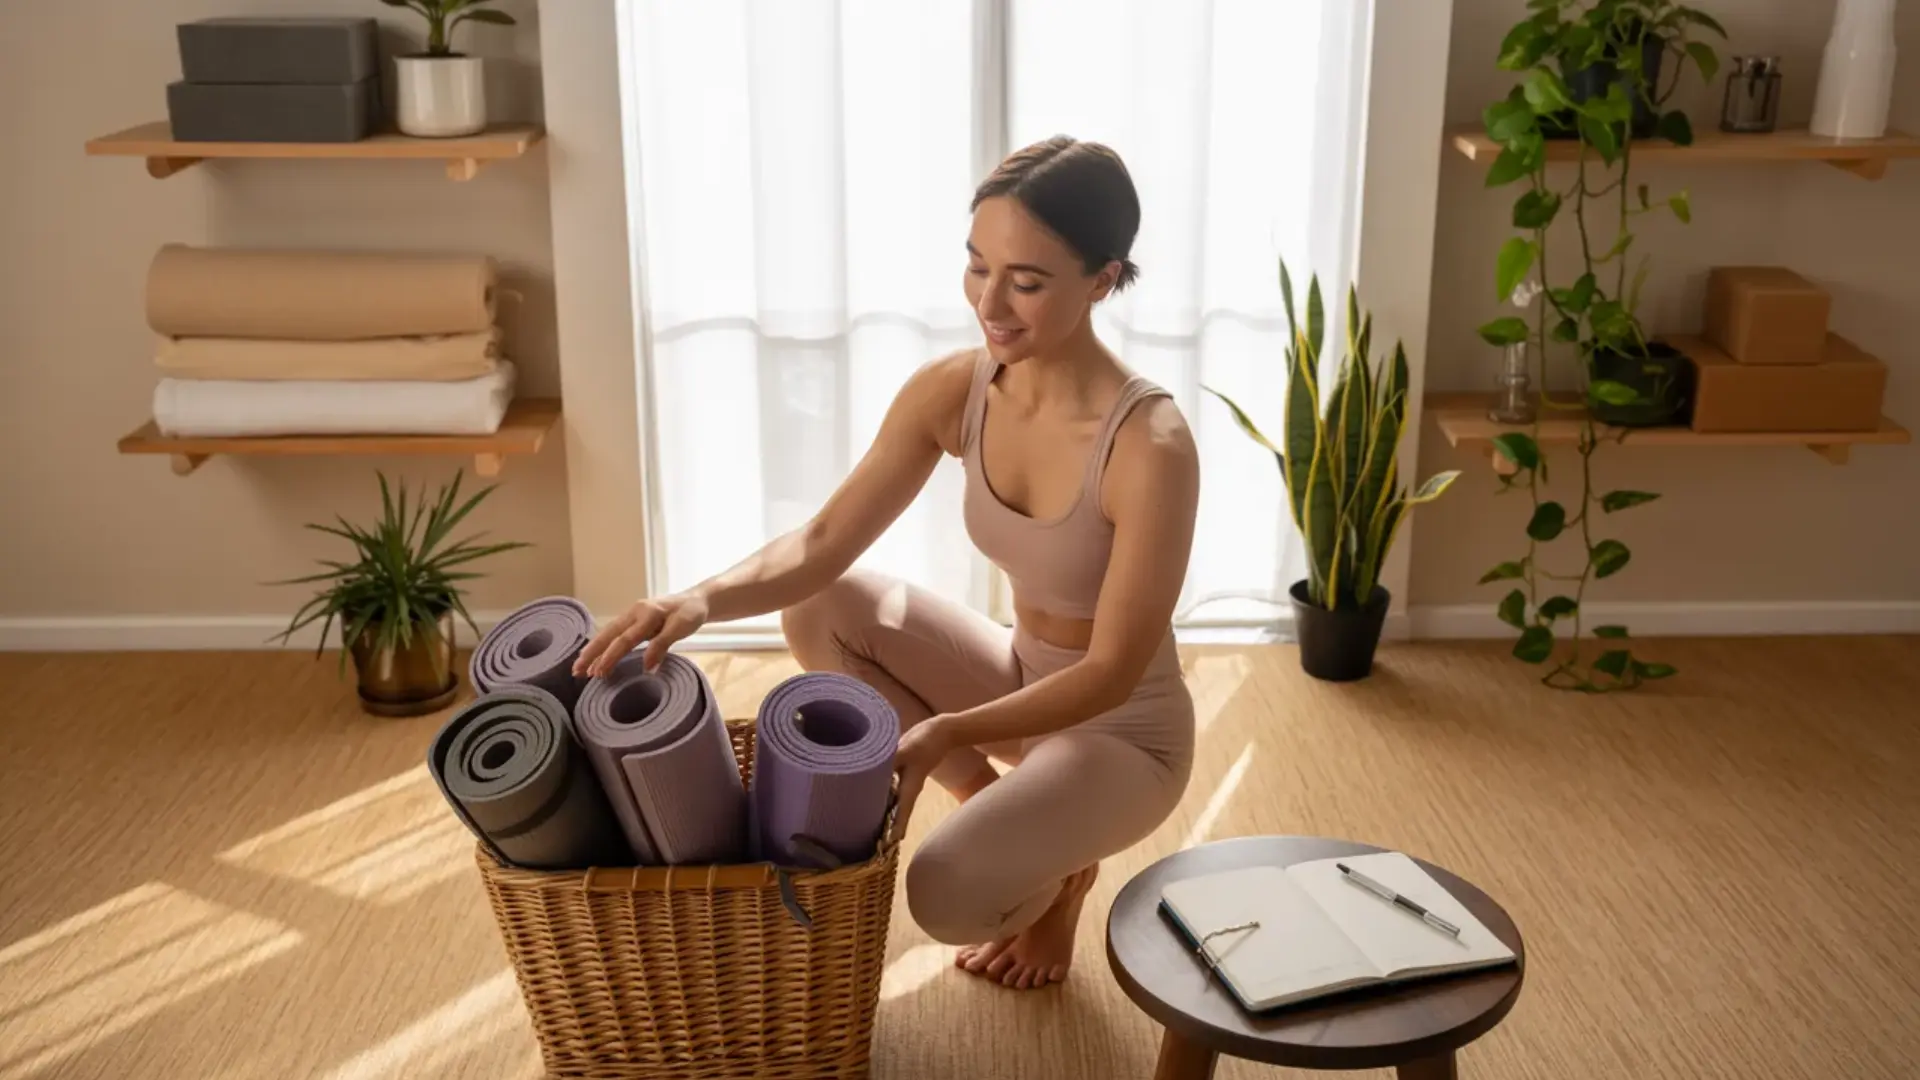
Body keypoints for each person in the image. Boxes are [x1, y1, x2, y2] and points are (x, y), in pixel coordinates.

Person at [573, 136, 1201, 991]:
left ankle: (1059, 859)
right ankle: (1031, 836)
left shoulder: (1150, 446)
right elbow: (823, 542)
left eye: (1027, 280)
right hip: (1022, 682)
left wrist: (942, 734)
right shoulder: (957, 388)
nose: (991, 301)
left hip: (1124, 732)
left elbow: (1114, 672)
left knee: (942, 892)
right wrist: (697, 600)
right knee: (823, 604)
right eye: (978, 266)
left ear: (1102, 279)